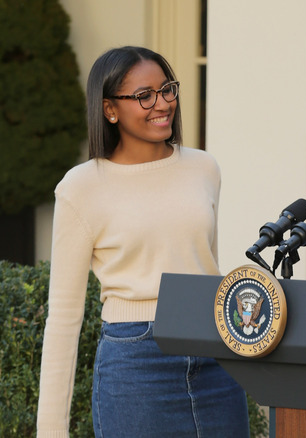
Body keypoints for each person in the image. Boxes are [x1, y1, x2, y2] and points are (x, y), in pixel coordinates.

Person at [36, 46, 250, 437]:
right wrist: (51, 430)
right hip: (135, 363)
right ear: (109, 109)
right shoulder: (81, 187)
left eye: (167, 89)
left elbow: (205, 266)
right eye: (144, 95)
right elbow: (64, 318)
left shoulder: (203, 167)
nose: (162, 103)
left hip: (216, 355)